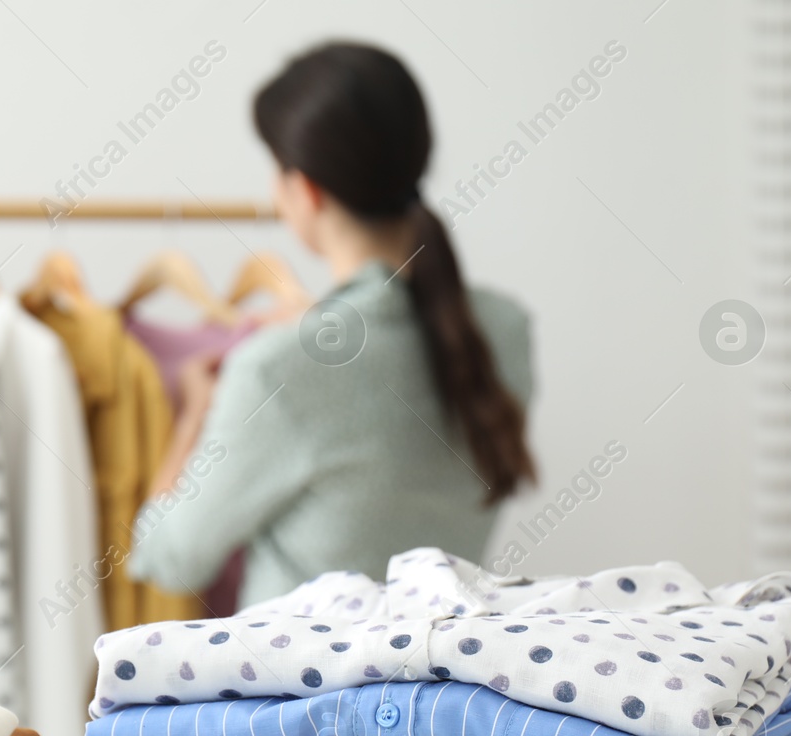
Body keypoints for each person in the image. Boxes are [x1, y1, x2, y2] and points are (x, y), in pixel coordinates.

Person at [129, 41, 537, 609]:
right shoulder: (504, 330)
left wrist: (197, 410)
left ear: (305, 190)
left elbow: (167, 557)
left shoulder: (275, 370)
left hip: (303, 692)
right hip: (445, 684)